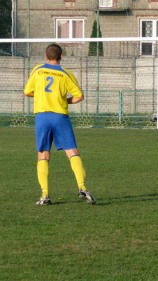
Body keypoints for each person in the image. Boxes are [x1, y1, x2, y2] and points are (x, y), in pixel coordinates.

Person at [24, 44, 96, 205]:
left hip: (42, 117)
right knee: (72, 152)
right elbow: (79, 97)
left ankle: (45, 195)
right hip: (59, 117)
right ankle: (82, 187)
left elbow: (27, 92)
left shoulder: (37, 70)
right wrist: (64, 100)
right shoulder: (65, 74)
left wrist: (42, 96)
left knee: (43, 154)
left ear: (45, 56)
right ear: (61, 56)